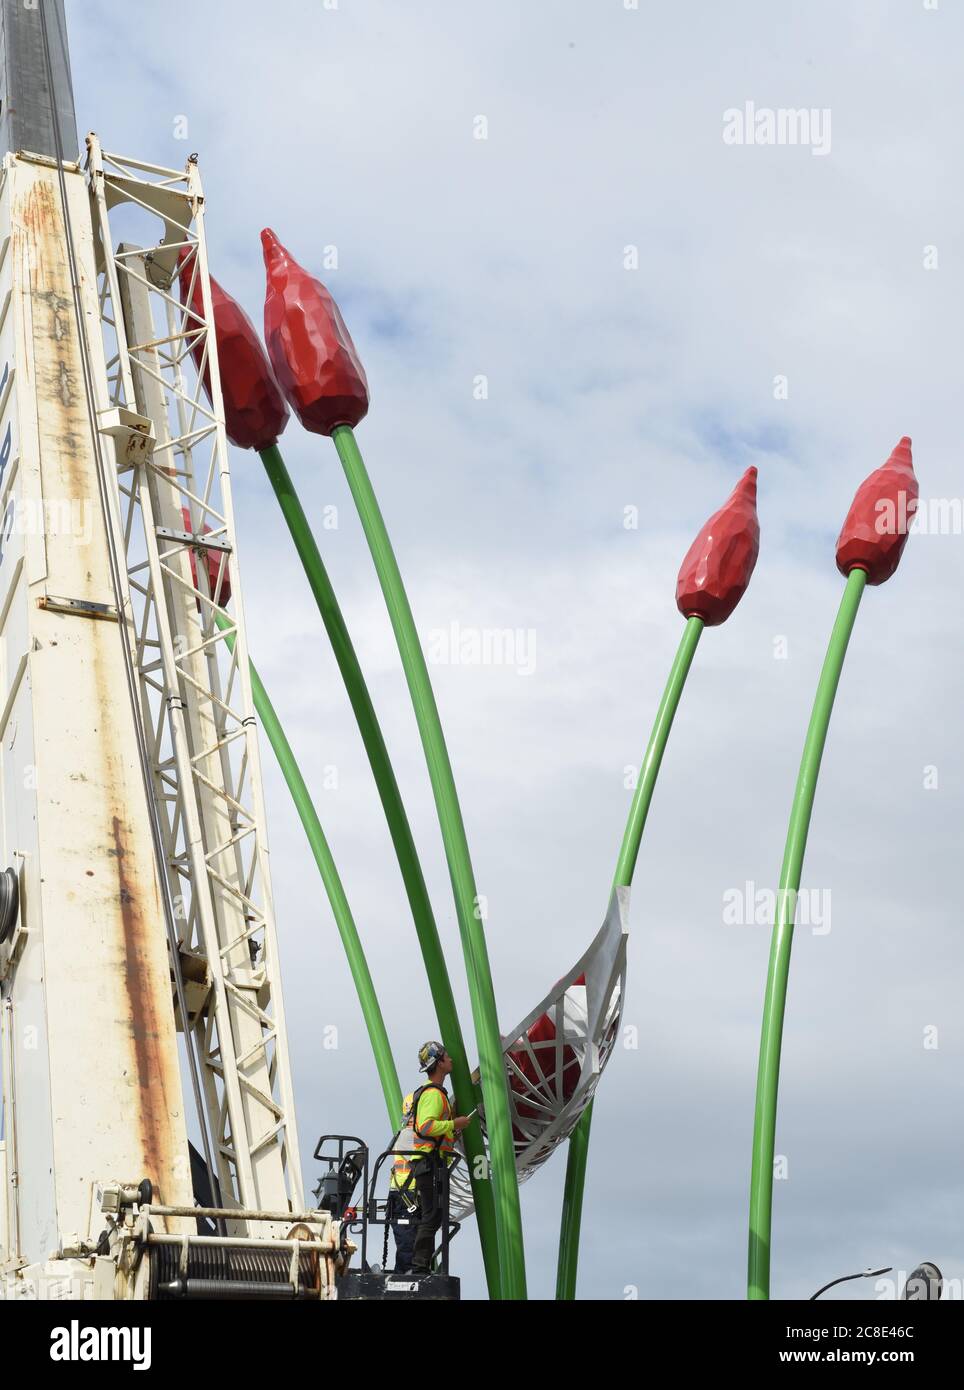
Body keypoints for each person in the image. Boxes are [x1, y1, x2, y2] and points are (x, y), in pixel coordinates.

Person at [409, 1041, 471, 1276]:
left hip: (432, 1162)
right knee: (432, 1216)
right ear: (440, 1062)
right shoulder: (433, 1094)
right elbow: (425, 1127)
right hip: (430, 1163)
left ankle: (420, 1265)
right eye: (447, 1056)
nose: (451, 1059)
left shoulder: (435, 1094)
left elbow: (432, 1129)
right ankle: (419, 1268)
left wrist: (451, 1132)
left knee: (434, 1215)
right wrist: (454, 1123)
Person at [387, 1091, 419, 1273]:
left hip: (407, 1196)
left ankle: (408, 1271)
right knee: (407, 1241)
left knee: (412, 1238)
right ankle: (405, 1274)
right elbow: (426, 1155)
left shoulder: (411, 1134)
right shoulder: (408, 1135)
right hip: (404, 1197)